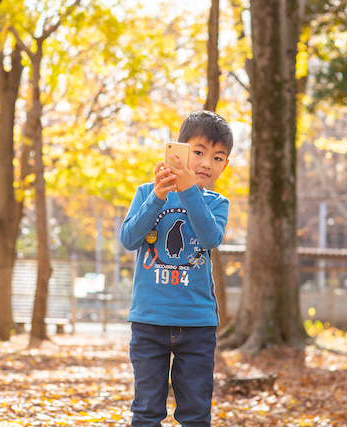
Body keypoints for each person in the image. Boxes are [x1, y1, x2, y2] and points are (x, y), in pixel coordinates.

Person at [120, 110, 233, 426]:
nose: (207, 163)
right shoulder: (147, 192)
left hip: (197, 325)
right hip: (148, 321)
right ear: (177, 151)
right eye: (198, 152)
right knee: (146, 411)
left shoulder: (216, 203)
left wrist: (188, 191)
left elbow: (210, 238)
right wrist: (158, 196)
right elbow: (129, 238)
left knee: (196, 412)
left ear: (226, 165)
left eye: (218, 157)